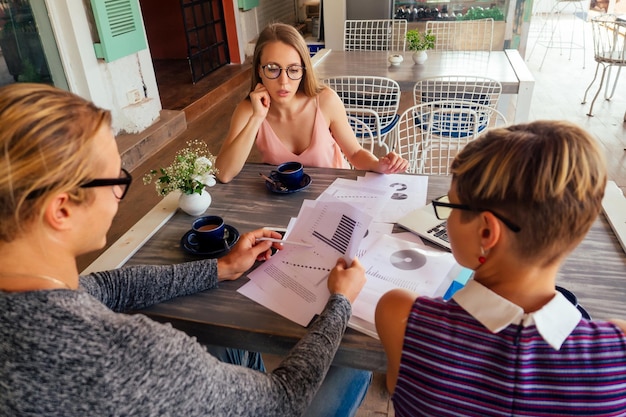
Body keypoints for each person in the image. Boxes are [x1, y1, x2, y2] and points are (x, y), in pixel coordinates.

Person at [0, 83, 369, 416]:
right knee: (358, 357)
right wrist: (340, 303)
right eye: (116, 180)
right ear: (61, 209)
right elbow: (282, 400)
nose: (119, 194)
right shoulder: (135, 353)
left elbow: (105, 288)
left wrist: (221, 268)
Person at [375, 120, 626, 416]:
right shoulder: (618, 349)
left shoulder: (400, 315)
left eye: (451, 207)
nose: (446, 218)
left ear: (486, 233)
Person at [215, 23, 408, 183]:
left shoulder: (325, 101)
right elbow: (223, 173)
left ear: (304, 70)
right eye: (273, 69)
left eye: (293, 69)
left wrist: (377, 164)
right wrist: (257, 117)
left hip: (335, 195)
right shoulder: (249, 109)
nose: (284, 81)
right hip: (284, 201)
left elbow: (355, 152)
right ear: (259, 70)